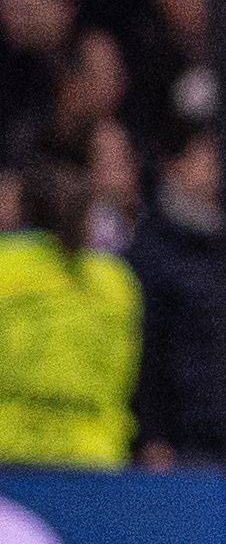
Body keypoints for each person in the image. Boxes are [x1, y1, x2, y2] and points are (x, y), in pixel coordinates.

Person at [0, 144, 138, 469]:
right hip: (94, 458)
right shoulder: (117, 281)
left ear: (22, 208)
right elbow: (123, 371)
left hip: (10, 458)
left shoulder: (4, 267)